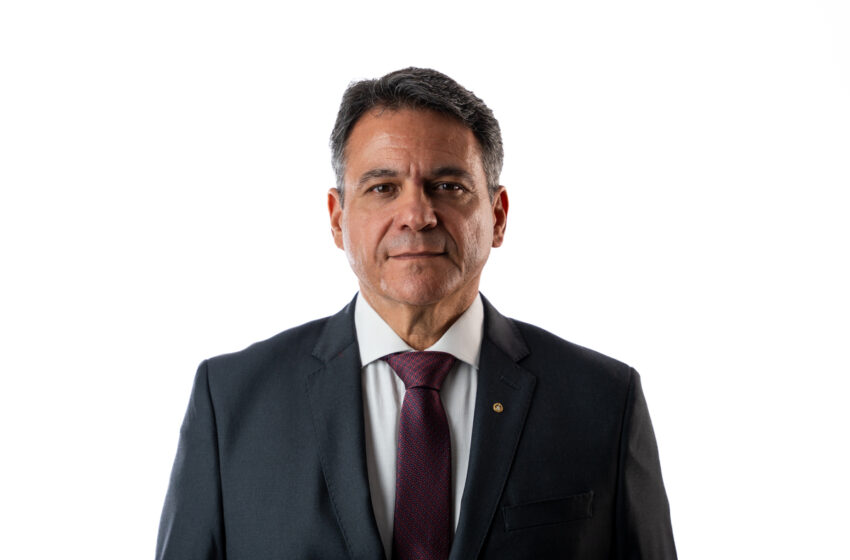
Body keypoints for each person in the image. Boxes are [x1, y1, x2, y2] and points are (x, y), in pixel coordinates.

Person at [156, 67, 677, 559]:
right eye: (383, 188)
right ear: (338, 219)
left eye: (448, 187)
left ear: (497, 216)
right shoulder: (230, 402)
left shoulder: (604, 401)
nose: (417, 215)